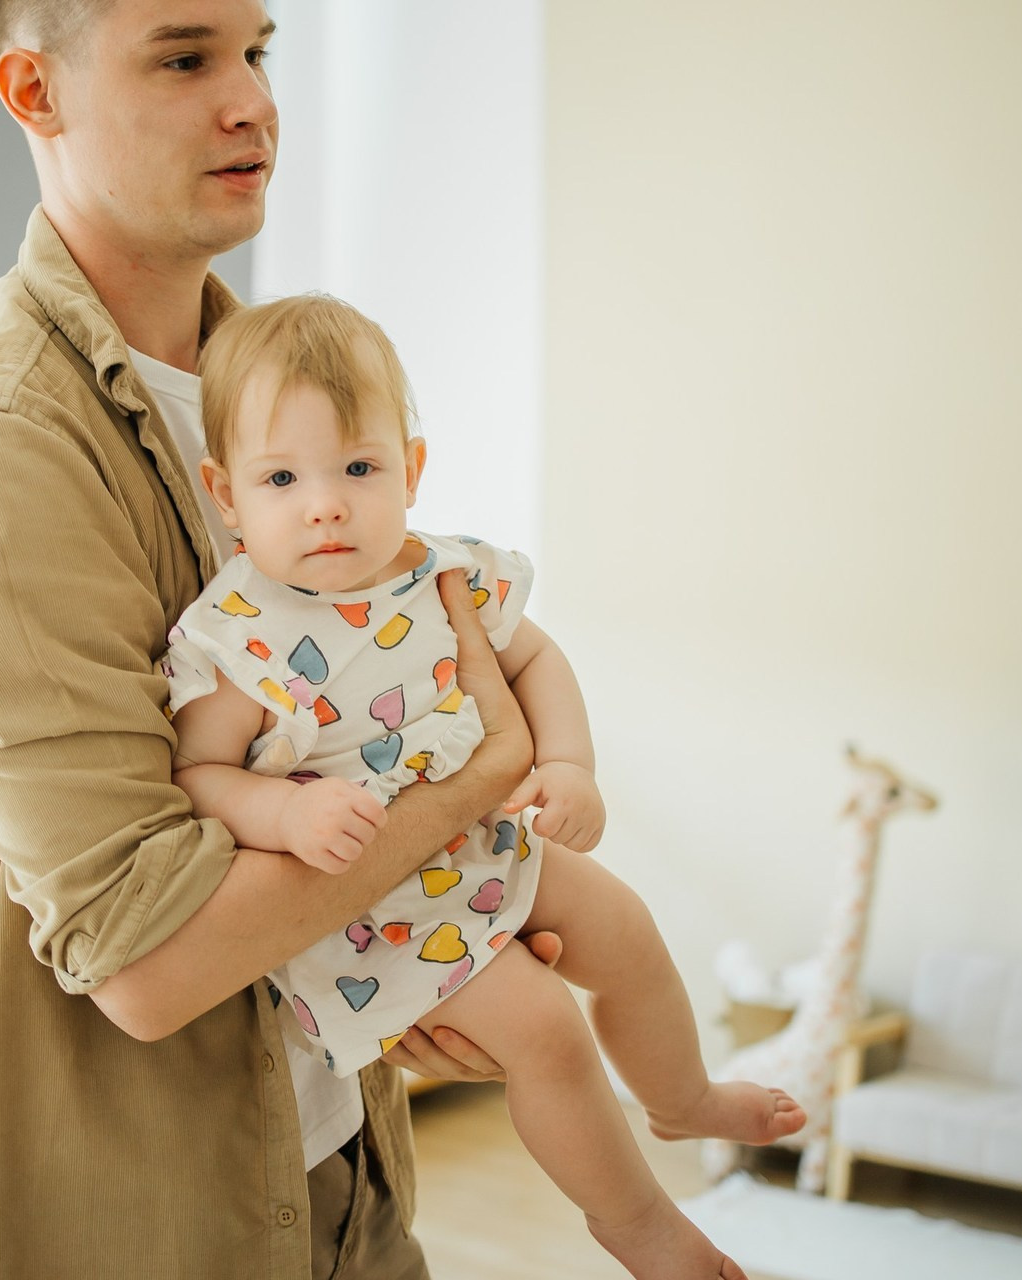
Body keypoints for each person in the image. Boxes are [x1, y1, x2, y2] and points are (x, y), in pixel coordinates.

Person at [0, 3, 546, 1277]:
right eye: (183, 56)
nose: (254, 101)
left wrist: (446, 958)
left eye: (258, 52)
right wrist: (474, 785)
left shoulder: (272, 407)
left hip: (341, 1176)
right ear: (30, 90)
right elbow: (147, 961)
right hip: (135, 1228)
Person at [160, 293, 808, 1280]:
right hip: (371, 908)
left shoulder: (445, 574)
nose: (324, 502)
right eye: (281, 476)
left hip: (481, 839)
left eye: (358, 468)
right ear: (224, 492)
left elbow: (535, 659)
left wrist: (565, 763)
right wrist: (285, 808)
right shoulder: (235, 634)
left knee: (623, 924)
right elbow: (198, 773)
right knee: (546, 1026)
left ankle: (681, 1097)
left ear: (410, 470)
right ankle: (635, 1223)